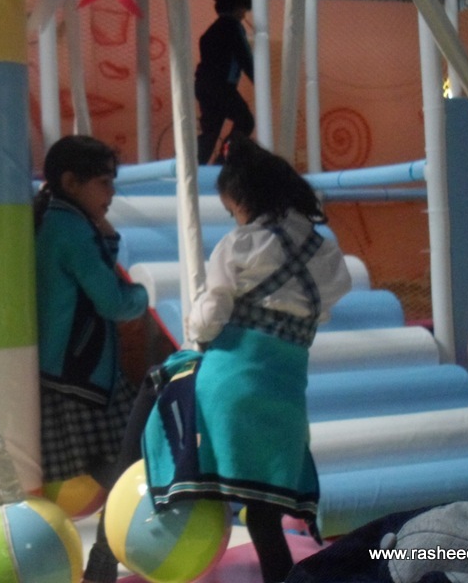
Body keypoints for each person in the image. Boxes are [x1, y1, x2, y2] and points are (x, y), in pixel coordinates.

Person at [83, 134, 352, 583]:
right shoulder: (326, 254)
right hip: (284, 398)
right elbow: (324, 308)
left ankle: (112, 516)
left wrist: (197, 330)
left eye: (232, 211)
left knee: (156, 381)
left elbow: (209, 319)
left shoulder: (242, 245)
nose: (234, 219)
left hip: (228, 387)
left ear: (245, 202)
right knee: (264, 518)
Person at [33, 135, 149, 577]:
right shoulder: (71, 230)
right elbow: (113, 302)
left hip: (71, 370)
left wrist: (109, 239)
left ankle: (101, 564)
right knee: (126, 469)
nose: (111, 193)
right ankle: (102, 564)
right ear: (71, 182)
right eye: (103, 182)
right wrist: (145, 294)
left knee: (122, 467)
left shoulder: (61, 220)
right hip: (82, 374)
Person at [195, 0, 255, 165]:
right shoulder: (233, 27)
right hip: (221, 87)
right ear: (238, 6)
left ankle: (195, 165)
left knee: (210, 131)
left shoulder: (213, 30)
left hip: (204, 85)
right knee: (245, 121)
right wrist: (259, 80)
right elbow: (244, 57)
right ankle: (223, 161)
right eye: (243, 8)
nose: (244, 13)